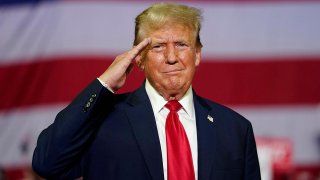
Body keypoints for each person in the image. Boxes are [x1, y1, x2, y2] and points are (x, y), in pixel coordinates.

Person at [32, 3, 261, 180]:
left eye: (182, 44)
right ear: (139, 58)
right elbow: (47, 163)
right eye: (158, 47)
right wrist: (103, 84)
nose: (172, 58)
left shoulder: (235, 130)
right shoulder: (103, 120)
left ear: (197, 54)